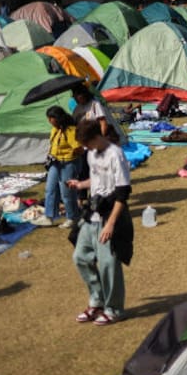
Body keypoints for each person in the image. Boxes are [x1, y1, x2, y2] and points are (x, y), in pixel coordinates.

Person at [67, 119, 133, 326]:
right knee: (80, 257)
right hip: (92, 214)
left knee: (108, 264)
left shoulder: (116, 154)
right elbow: (96, 180)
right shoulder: (91, 154)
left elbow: (123, 193)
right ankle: (97, 300)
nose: (85, 148)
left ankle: (114, 309)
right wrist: (80, 184)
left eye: (86, 143)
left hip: (109, 215)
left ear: (96, 137)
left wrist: (111, 224)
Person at [44, 106, 82, 227]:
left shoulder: (70, 131)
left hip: (68, 164)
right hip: (55, 163)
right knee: (50, 189)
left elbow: (79, 149)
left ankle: (72, 217)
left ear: (58, 118)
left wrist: (70, 156)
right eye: (48, 118)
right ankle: (49, 216)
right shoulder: (55, 130)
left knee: (66, 192)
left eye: (51, 118)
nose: (49, 121)